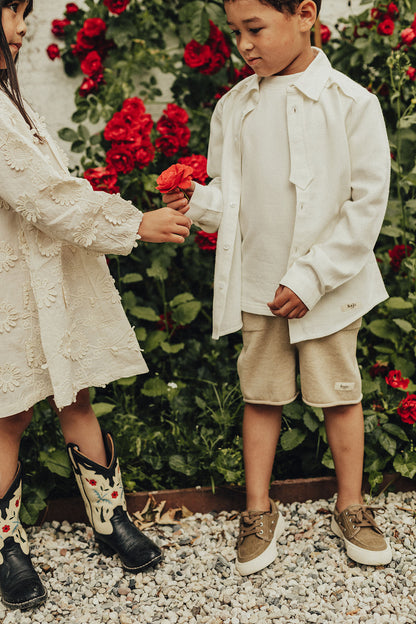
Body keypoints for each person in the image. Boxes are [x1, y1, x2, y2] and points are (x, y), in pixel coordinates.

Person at [162, 0, 393, 575]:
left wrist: (314, 276)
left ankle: (352, 505)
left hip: (333, 287)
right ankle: (259, 509)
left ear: (305, 15)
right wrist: (199, 203)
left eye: (256, 29)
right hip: (262, 284)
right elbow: (230, 198)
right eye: (236, 32)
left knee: (340, 393)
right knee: (260, 394)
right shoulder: (234, 107)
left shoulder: (352, 104)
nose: (244, 44)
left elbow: (367, 207)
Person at [0, 0, 192, 611]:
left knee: (74, 391)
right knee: (8, 412)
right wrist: (134, 223)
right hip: (11, 284)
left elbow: (53, 190)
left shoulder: (13, 102)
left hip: (46, 276)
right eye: (12, 10)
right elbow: (44, 196)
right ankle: (5, 546)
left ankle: (109, 517)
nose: (23, 24)